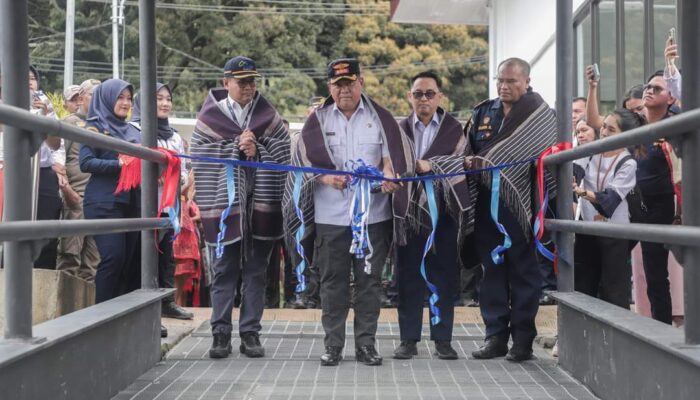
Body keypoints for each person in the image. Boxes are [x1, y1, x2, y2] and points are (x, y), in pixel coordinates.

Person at [283, 58, 414, 366]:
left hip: (373, 217)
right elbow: (302, 162)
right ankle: (333, 347)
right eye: (338, 85)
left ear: (361, 83)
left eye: (350, 84)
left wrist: (389, 174)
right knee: (332, 283)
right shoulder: (318, 121)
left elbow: (390, 158)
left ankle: (367, 346)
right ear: (330, 87)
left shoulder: (381, 118)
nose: (344, 90)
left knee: (369, 283)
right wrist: (327, 177)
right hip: (330, 217)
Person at [190, 56, 290, 359]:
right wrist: (235, 147)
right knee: (224, 271)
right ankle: (220, 333)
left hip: (260, 204)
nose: (248, 86)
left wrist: (258, 149)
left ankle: (250, 333)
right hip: (225, 207)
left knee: (257, 271)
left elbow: (285, 154)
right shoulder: (209, 118)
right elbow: (200, 154)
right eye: (242, 81)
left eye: (252, 81)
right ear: (226, 83)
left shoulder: (268, 115)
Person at [465, 58, 557, 362]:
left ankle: (523, 341)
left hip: (523, 206)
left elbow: (549, 160)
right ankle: (494, 337)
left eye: (512, 82)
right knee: (491, 271)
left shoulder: (541, 115)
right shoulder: (482, 112)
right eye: (500, 81)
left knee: (524, 275)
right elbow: (469, 153)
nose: (504, 87)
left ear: (526, 81)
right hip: (485, 203)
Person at [393, 71, 471, 360]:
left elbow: (461, 162)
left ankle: (442, 339)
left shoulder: (454, 130)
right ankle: (408, 339)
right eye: (418, 94)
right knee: (408, 276)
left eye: (429, 93)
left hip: (445, 211)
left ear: (440, 96)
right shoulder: (398, 129)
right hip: (409, 214)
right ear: (409, 97)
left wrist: (431, 165)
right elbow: (391, 162)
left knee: (443, 276)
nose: (423, 99)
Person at [130, 83, 194, 321]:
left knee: (166, 254)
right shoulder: (135, 130)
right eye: (158, 98)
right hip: (142, 205)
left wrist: (173, 176)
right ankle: (144, 309)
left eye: (168, 99)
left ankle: (167, 302)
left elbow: (185, 171)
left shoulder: (175, 136)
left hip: (168, 205)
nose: (165, 103)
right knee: (144, 255)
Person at [80, 78, 142, 303]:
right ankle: (101, 315)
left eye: (129, 98)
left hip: (133, 204)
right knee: (113, 258)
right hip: (104, 203)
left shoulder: (134, 130)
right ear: (106, 98)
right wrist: (120, 163)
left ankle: (121, 318)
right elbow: (85, 163)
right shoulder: (94, 127)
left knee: (129, 264)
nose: (126, 103)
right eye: (120, 97)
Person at [573, 109, 639, 308]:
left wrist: (581, 191)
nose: (604, 133)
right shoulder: (591, 152)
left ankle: (615, 338)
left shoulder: (628, 163)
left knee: (614, 289)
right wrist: (571, 180)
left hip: (614, 231)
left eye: (611, 129)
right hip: (588, 228)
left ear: (625, 136)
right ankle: (583, 335)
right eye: (603, 127)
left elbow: (609, 201)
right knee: (583, 285)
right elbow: (575, 171)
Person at [629, 71, 681, 325]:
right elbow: (597, 123)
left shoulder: (677, 122)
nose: (649, 90)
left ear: (671, 97)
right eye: (647, 87)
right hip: (630, 204)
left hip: (663, 205)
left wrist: (671, 67)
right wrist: (594, 86)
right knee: (610, 261)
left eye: (657, 88)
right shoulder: (634, 122)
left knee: (657, 273)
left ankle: (662, 326)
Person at [56, 78, 102, 281]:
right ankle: (64, 310)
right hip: (76, 197)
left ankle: (89, 310)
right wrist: (67, 191)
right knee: (70, 256)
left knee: (93, 260)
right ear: (82, 98)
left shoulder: (103, 125)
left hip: (98, 200)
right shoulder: (69, 123)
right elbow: (58, 161)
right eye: (93, 94)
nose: (98, 99)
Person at [29, 65, 64, 270]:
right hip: (9, 172)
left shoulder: (46, 108)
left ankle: (43, 272)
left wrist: (45, 115)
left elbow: (56, 145)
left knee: (46, 229)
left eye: (32, 78)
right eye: (22, 77)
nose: (28, 82)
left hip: (42, 173)